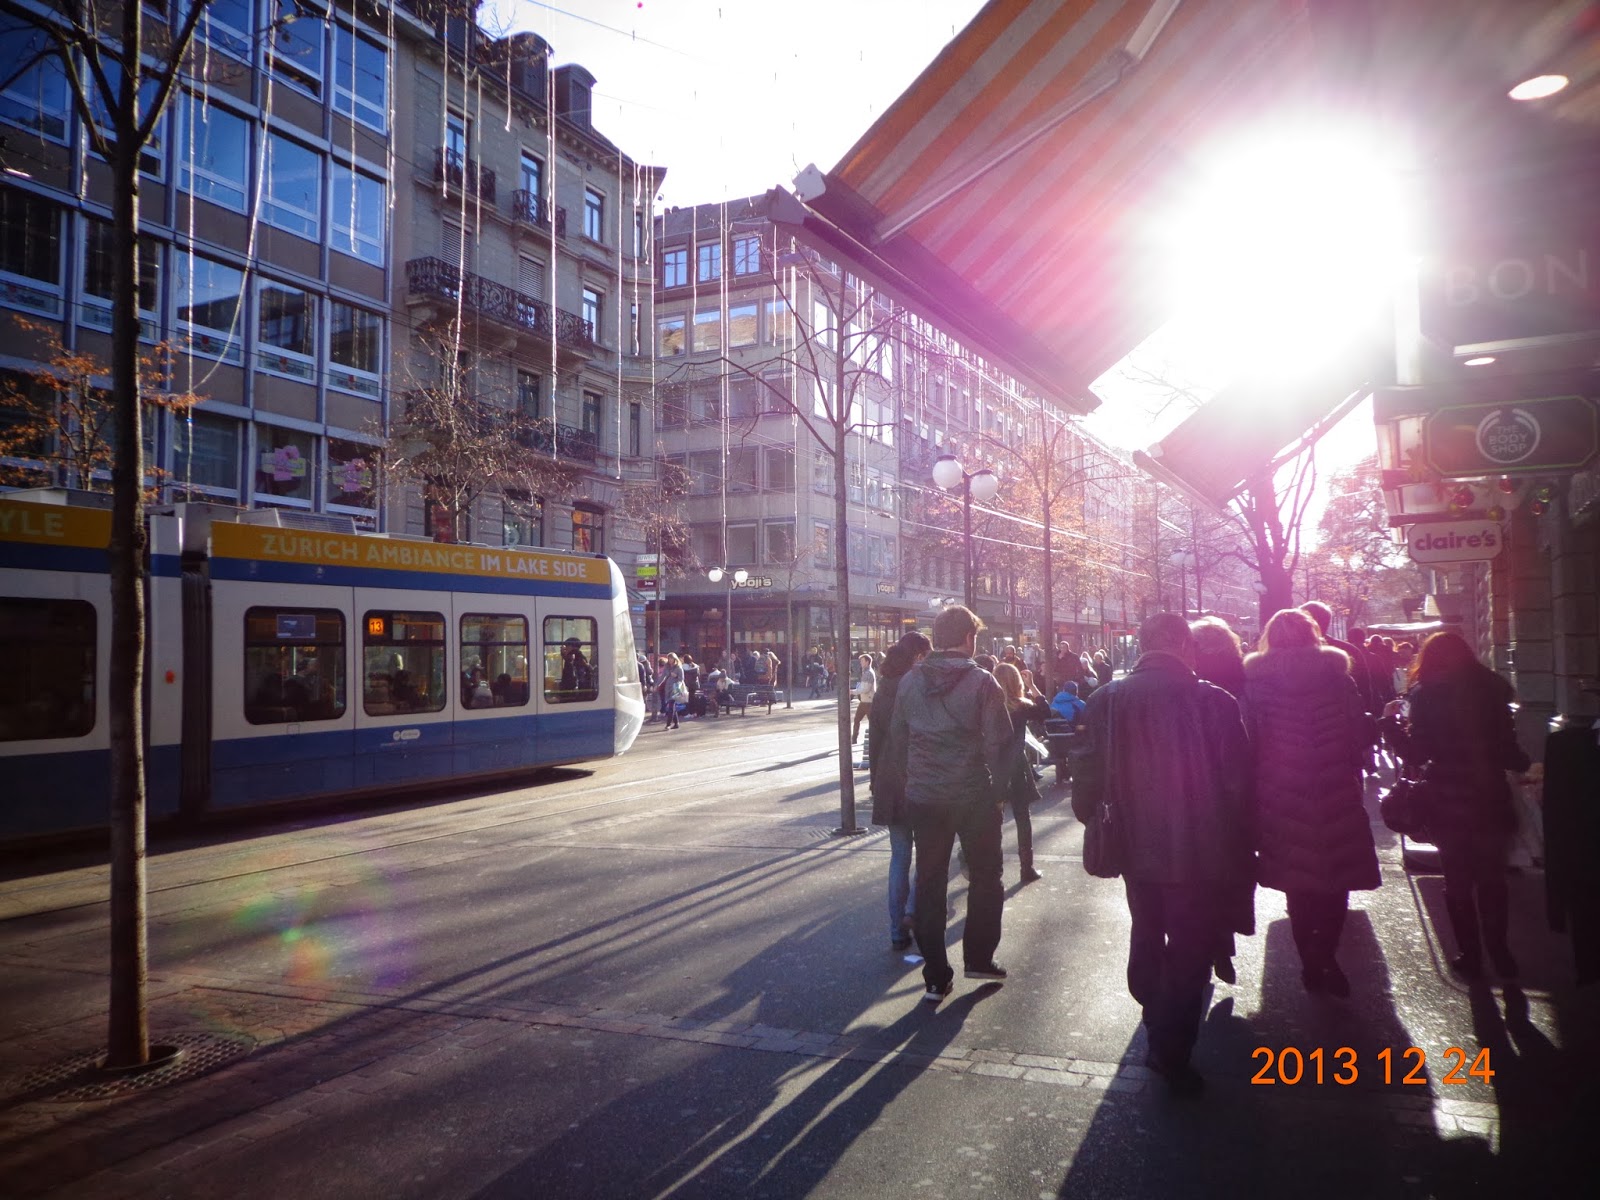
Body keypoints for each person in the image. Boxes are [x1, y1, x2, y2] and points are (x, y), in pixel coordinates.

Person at [1074, 614, 1252, 1095]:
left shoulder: (1107, 700)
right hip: (1199, 845)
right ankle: (1170, 1046)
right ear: (1183, 647)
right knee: (1191, 943)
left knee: (1147, 926)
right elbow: (1237, 783)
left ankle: (1153, 1010)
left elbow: (1085, 774)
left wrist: (1095, 818)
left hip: (1132, 842)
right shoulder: (1214, 701)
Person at [1243, 608, 1379, 999]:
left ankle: (1311, 962)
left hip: (1280, 793)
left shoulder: (1255, 685)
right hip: (1335, 787)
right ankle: (1324, 953)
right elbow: (1358, 739)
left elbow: (1248, 742)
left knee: (1297, 885)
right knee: (1337, 881)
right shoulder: (1338, 679)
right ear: (1313, 633)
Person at [887, 604, 1013, 1002]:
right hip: (974, 794)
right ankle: (978, 957)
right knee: (986, 876)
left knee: (929, 882)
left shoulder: (910, 682)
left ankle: (935, 975)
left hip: (925, 797)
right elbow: (1000, 743)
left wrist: (914, 783)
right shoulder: (983, 682)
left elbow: (897, 739)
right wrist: (998, 795)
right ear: (968, 638)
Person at [1405, 630, 1531, 979]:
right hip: (1489, 794)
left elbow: (1418, 753)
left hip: (1447, 797)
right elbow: (1511, 753)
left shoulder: (1426, 696)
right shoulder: (1493, 690)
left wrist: (1394, 732)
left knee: (1457, 880)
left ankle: (1470, 954)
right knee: (1492, 878)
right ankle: (1500, 951)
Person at [1189, 616, 1255, 986]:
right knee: (1225, 873)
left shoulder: (1188, 678)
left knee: (1193, 875)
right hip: (1227, 789)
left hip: (1188, 787)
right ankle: (1223, 945)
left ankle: (1204, 945)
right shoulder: (1240, 676)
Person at [869, 631, 933, 952]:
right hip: (920, 779)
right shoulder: (919, 686)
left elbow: (875, 742)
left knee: (899, 857)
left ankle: (896, 930)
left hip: (890, 782)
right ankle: (912, 913)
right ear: (919, 656)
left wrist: (874, 782)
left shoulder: (884, 689)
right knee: (926, 855)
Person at [994, 662, 1052, 883]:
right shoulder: (1021, 706)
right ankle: (1026, 867)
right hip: (1017, 766)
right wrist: (1033, 685)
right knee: (1022, 818)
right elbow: (1044, 712)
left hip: (993, 766)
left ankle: (994, 868)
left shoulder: (989, 705)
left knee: (993, 819)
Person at [852, 653, 877, 744]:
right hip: (865, 701)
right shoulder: (865, 672)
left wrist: (853, 692)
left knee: (870, 722)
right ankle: (854, 738)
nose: (860, 663)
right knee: (858, 719)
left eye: (862, 661)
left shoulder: (868, 673)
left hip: (868, 701)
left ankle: (856, 738)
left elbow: (865, 689)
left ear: (867, 662)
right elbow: (862, 687)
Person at [656, 653, 683, 730]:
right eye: (669, 658)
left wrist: (676, 676)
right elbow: (662, 677)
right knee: (672, 706)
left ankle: (668, 724)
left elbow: (681, 679)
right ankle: (676, 723)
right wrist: (657, 684)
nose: (670, 660)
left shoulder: (678, 668)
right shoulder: (666, 667)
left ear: (675, 659)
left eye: (671, 658)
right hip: (667, 688)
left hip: (675, 688)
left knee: (671, 706)